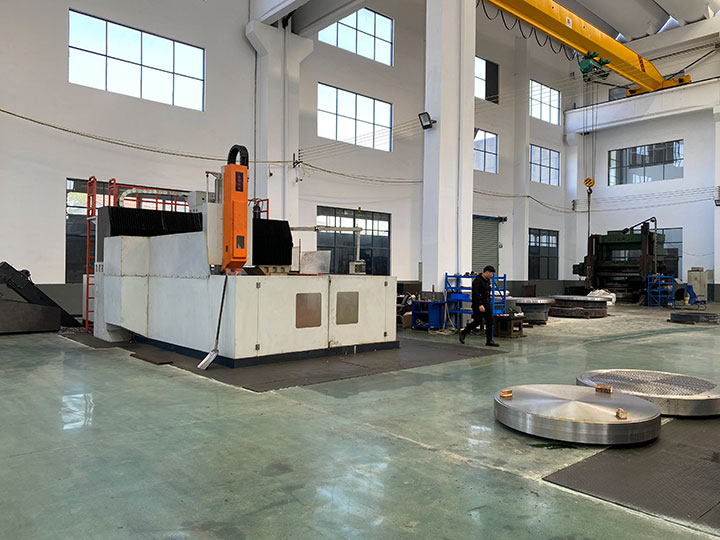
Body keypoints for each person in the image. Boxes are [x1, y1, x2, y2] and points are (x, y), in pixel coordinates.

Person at [459, 265, 500, 347]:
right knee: (477, 321)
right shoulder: (477, 281)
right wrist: (480, 305)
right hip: (478, 305)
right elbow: (475, 295)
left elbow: (487, 293)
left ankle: (489, 340)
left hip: (487, 304)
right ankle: (463, 332)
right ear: (487, 272)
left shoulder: (487, 280)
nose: (492, 275)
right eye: (491, 274)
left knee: (490, 321)